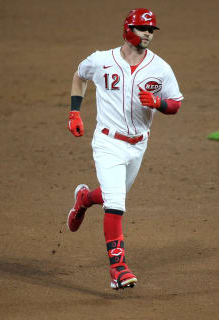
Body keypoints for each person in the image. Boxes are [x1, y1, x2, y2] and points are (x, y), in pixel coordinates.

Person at [67, 8, 183, 290]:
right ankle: (118, 268)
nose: (147, 34)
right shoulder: (101, 60)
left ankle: (83, 199)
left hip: (138, 146)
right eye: (143, 29)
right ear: (128, 29)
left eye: (151, 30)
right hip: (108, 142)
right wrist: (74, 113)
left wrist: (158, 104)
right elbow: (79, 76)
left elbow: (176, 104)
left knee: (109, 195)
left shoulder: (160, 68)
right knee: (116, 203)